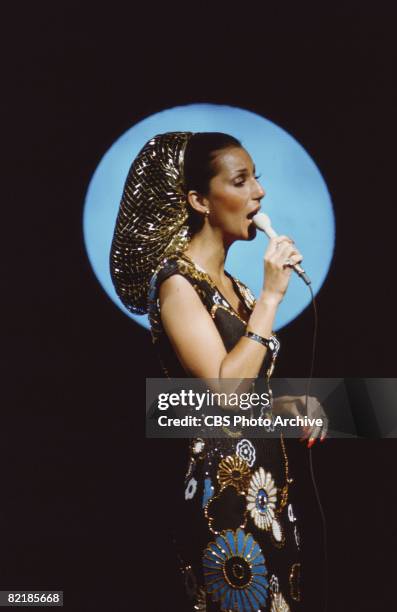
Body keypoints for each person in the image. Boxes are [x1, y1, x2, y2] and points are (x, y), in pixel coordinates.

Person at [110, 131, 326, 611]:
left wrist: (292, 408)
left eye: (258, 180)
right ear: (200, 201)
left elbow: (249, 397)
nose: (259, 193)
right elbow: (224, 390)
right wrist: (272, 298)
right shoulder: (175, 283)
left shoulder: (240, 291)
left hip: (269, 498)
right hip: (221, 501)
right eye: (241, 180)